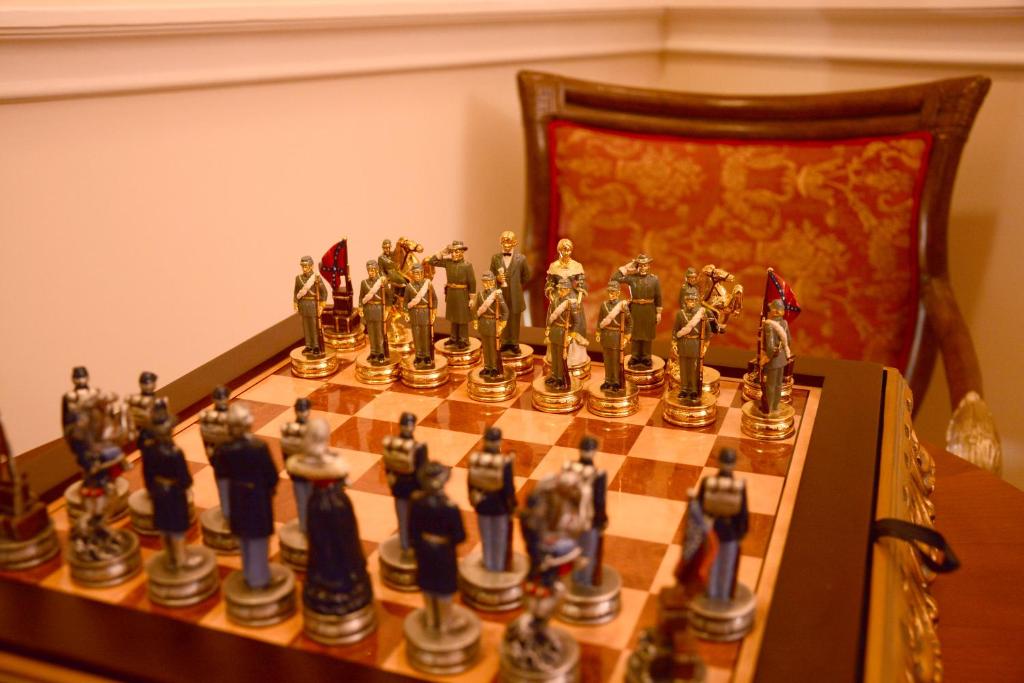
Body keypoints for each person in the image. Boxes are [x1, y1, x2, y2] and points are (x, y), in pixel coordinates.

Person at [299, 420, 374, 618]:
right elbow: (341, 471)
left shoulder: (311, 458)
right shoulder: (321, 459)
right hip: (332, 503)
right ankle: (341, 579)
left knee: (328, 541)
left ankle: (332, 577)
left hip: (322, 501)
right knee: (336, 541)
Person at [217, 404, 279, 590]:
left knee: (243, 539)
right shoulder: (258, 447)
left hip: (237, 500)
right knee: (259, 541)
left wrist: (227, 507)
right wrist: (269, 490)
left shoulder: (223, 449)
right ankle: (259, 580)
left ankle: (248, 574)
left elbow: (222, 478)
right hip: (257, 500)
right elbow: (272, 476)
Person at [409, 460, 467, 633]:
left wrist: (417, 546)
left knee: (428, 584)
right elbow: (459, 536)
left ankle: (430, 620)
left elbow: (412, 531)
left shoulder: (416, 503)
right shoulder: (450, 507)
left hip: (424, 549)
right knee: (443, 587)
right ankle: (444, 623)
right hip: (443, 551)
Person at [141, 404, 194, 570]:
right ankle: (180, 560)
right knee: (177, 528)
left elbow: (147, 474)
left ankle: (169, 558)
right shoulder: (175, 453)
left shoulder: (149, 450)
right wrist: (186, 487)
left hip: (158, 492)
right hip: (174, 493)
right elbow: (185, 478)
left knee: (164, 526)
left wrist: (151, 490)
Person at [693, 448, 748, 601]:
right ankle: (722, 597)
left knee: (711, 565)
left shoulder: (708, 483)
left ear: (718, 462)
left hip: (711, 532)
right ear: (734, 464)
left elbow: (699, 508)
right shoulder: (738, 486)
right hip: (729, 534)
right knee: (726, 567)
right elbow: (742, 513)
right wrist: (740, 533)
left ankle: (711, 595)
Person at [467, 428, 517, 572]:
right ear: (499, 441)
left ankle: (488, 565)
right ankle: (497, 568)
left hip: (482, 504)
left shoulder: (475, 459)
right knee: (499, 540)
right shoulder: (504, 462)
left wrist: (474, 501)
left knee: (486, 538)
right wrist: (512, 505)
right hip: (500, 506)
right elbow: (508, 488)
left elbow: (470, 484)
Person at [382, 413, 427, 561]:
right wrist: (390, 475)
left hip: (413, 488)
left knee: (414, 519)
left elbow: (422, 470)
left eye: (410, 425)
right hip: (401, 487)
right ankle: (405, 546)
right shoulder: (394, 444)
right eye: (405, 425)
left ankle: (413, 544)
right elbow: (388, 463)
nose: (408, 428)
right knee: (402, 518)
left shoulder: (419, 448)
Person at [564, 436, 607, 587]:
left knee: (573, 549)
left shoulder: (569, 468)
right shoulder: (598, 474)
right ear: (594, 451)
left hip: (570, 519)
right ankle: (584, 583)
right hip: (588, 520)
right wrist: (602, 520)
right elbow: (599, 501)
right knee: (588, 553)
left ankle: (574, 579)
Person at [612, 254, 662, 369]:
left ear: (648, 266)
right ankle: (635, 356)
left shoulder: (654, 280)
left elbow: (658, 296)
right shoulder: (632, 278)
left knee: (647, 335)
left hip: (649, 310)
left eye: (645, 265)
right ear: (637, 266)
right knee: (634, 334)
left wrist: (658, 312)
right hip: (635, 309)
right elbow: (615, 279)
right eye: (640, 265)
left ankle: (646, 357)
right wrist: (626, 268)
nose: (643, 267)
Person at [544, 238, 588, 366]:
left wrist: (578, 300)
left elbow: (581, 283)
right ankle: (555, 354)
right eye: (563, 250)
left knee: (576, 321)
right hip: (558, 297)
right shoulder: (554, 266)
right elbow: (550, 283)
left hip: (572, 296)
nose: (566, 252)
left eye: (568, 250)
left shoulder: (576, 265)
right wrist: (552, 296)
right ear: (559, 250)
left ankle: (574, 357)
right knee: (555, 320)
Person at [427, 240, 476, 350]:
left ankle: (463, 339)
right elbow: (432, 261)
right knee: (453, 317)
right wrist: (443, 252)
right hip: (451, 294)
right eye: (452, 251)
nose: (454, 254)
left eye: (457, 251)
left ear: (462, 252)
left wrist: (472, 298)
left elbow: (472, 282)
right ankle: (453, 338)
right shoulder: (448, 263)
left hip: (462, 294)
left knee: (462, 318)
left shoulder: (467, 265)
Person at [490, 231, 531, 354]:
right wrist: (497, 278)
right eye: (504, 241)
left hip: (515, 295)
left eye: (509, 241)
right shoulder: (495, 258)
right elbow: (490, 276)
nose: (506, 244)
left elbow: (526, 276)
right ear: (500, 242)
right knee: (502, 317)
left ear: (514, 242)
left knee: (514, 320)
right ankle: (504, 341)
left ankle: (514, 343)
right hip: (500, 294)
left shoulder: (521, 259)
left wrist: (516, 285)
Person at [199, 386, 232, 520]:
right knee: (223, 485)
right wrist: (211, 456)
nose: (222, 401)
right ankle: (227, 513)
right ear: (213, 399)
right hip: (219, 457)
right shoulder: (209, 419)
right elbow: (207, 440)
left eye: (224, 397)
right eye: (219, 398)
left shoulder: (235, 415)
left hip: (235, 456)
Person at [280, 398, 312, 533]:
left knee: (313, 501)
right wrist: (289, 468)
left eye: (305, 410)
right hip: (298, 472)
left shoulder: (314, 429)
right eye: (300, 410)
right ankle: (304, 528)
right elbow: (285, 451)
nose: (303, 413)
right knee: (302, 502)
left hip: (312, 472)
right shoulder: (290, 430)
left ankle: (313, 527)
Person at [674, 290, 710, 403]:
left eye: (693, 300)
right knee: (683, 368)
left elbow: (708, 331)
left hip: (695, 344)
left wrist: (705, 345)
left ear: (697, 301)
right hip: (683, 343)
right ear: (685, 301)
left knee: (694, 368)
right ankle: (684, 388)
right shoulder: (680, 314)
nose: (691, 302)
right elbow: (675, 330)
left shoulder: (701, 314)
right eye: (689, 300)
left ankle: (694, 389)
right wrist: (674, 343)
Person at [471, 271, 509, 379]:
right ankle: (487, 367)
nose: (485, 284)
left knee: (493, 348)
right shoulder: (480, 294)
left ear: (492, 282)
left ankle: (494, 368)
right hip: (483, 323)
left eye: (487, 281)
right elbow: (475, 308)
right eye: (484, 281)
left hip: (493, 325)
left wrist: (501, 324)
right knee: (485, 347)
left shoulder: (497, 295)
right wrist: (475, 320)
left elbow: (505, 311)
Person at [294, 255, 333, 358]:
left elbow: (324, 292)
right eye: (303, 266)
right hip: (303, 305)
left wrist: (321, 305)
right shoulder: (298, 278)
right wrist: (295, 303)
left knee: (314, 327)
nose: (304, 268)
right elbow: (296, 292)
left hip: (313, 305)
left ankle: (316, 346)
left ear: (311, 266)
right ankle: (308, 345)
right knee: (306, 327)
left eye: (306, 266)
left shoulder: (316, 278)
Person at [544, 278, 578, 391]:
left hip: (564, 333)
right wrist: (548, 327)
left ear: (568, 290)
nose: (560, 291)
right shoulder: (555, 301)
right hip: (554, 331)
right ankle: (554, 376)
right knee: (554, 356)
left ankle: (561, 379)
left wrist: (571, 335)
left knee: (561, 358)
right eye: (559, 289)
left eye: (562, 289)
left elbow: (576, 322)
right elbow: (549, 316)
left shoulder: (571, 304)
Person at [597, 281, 631, 392]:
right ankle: (608, 380)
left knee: (616, 361)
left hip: (617, 337)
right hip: (606, 336)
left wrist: (626, 337)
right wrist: (598, 332)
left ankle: (616, 381)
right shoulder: (604, 305)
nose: (611, 294)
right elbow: (600, 320)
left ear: (618, 293)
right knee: (607, 360)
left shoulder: (622, 306)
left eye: (614, 292)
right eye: (610, 292)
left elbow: (629, 322)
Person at [402, 263, 438, 369]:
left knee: (426, 336)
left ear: (422, 273)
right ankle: (418, 355)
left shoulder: (428, 285)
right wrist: (406, 313)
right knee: (417, 336)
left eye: (418, 273)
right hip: (414, 314)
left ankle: (427, 355)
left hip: (425, 313)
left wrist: (433, 313)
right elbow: (405, 302)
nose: (417, 275)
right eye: (415, 273)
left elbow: (434, 299)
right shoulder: (409, 287)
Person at [760, 299, 792, 415]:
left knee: (770, 385)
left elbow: (770, 346)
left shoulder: (769, 325)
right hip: (782, 358)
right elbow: (789, 340)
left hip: (773, 359)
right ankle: (775, 406)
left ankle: (768, 409)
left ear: (774, 311)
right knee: (778, 384)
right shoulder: (784, 323)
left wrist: (766, 358)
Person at [358, 260, 393, 364]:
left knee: (379, 333)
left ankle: (381, 352)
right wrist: (360, 307)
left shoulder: (381, 282)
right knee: (371, 333)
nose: (371, 272)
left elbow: (389, 296)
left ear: (377, 270)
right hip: (368, 310)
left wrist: (387, 310)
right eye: (369, 270)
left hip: (379, 310)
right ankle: (373, 352)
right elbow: (361, 296)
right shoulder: (364, 283)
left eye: (373, 270)